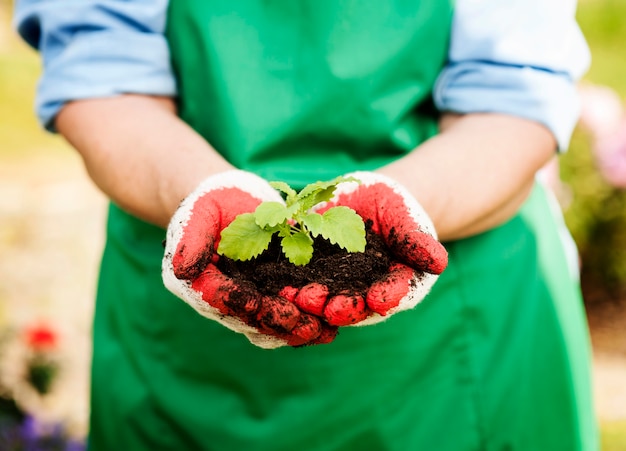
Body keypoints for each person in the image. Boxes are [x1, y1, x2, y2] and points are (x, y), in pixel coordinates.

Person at [14, 0, 598, 449]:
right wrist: (200, 196)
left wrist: (404, 206)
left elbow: (512, 91)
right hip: (184, 276)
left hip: (460, 314)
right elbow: (102, 71)